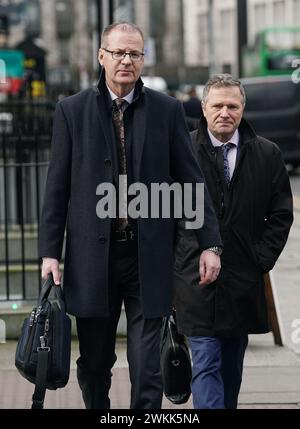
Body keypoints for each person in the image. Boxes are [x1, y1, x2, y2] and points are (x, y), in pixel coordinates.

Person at [38, 22, 222, 409]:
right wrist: (50, 253)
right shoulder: (71, 111)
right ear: (101, 56)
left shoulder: (167, 110)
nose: (126, 60)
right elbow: (56, 188)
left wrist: (210, 245)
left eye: (134, 53)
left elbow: (191, 181)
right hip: (92, 261)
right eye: (119, 52)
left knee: (147, 367)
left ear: (143, 59)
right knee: (94, 364)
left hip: (147, 256)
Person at [174, 74, 294, 409]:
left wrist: (260, 258)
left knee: (231, 368)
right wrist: (176, 264)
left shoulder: (267, 154)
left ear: (243, 109)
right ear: (204, 108)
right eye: (218, 105)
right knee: (206, 362)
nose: (225, 112)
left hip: (242, 278)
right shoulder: (182, 151)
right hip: (194, 280)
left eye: (232, 105)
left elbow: (281, 214)